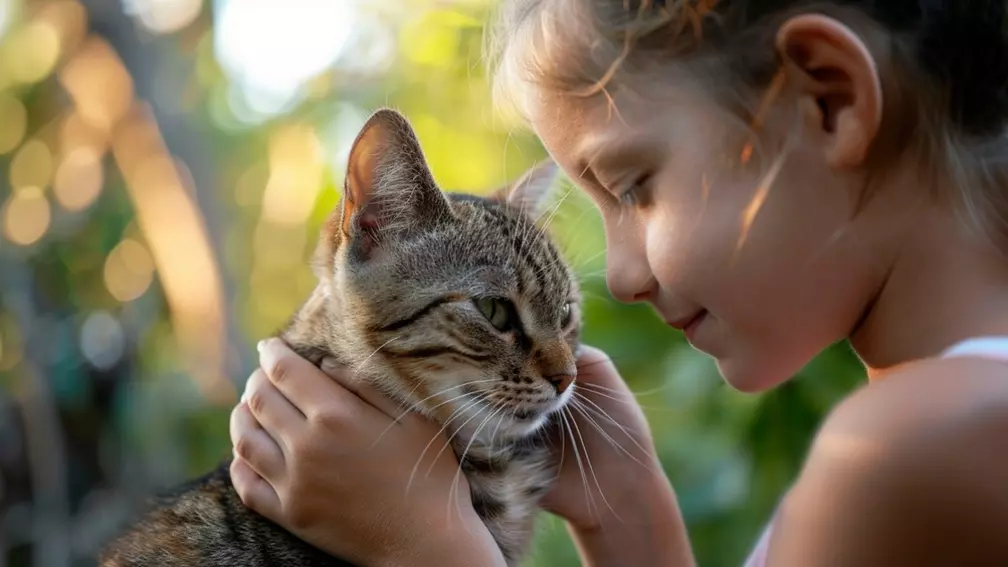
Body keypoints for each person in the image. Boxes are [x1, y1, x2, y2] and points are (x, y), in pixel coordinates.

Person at [227, 1, 1008, 565]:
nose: (624, 277)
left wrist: (426, 547)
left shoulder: (904, 452)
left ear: (828, 99)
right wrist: (626, 507)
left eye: (635, 187)